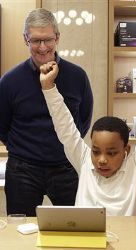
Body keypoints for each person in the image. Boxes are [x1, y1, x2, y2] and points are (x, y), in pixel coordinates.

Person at [39, 56, 136, 216]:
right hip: (87, 241)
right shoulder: (84, 161)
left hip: (129, 240)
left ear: (126, 150)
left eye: (111, 152)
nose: (101, 160)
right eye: (96, 151)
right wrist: (48, 87)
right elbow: (64, 126)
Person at [0, 8, 93, 216]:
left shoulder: (78, 77)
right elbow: (2, 127)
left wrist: (68, 147)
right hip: (22, 169)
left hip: (67, 166)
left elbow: (83, 120)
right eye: (35, 41)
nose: (42, 48)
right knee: (21, 232)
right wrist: (24, 149)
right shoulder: (9, 81)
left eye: (48, 40)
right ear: (26, 39)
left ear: (57, 38)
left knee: (75, 227)